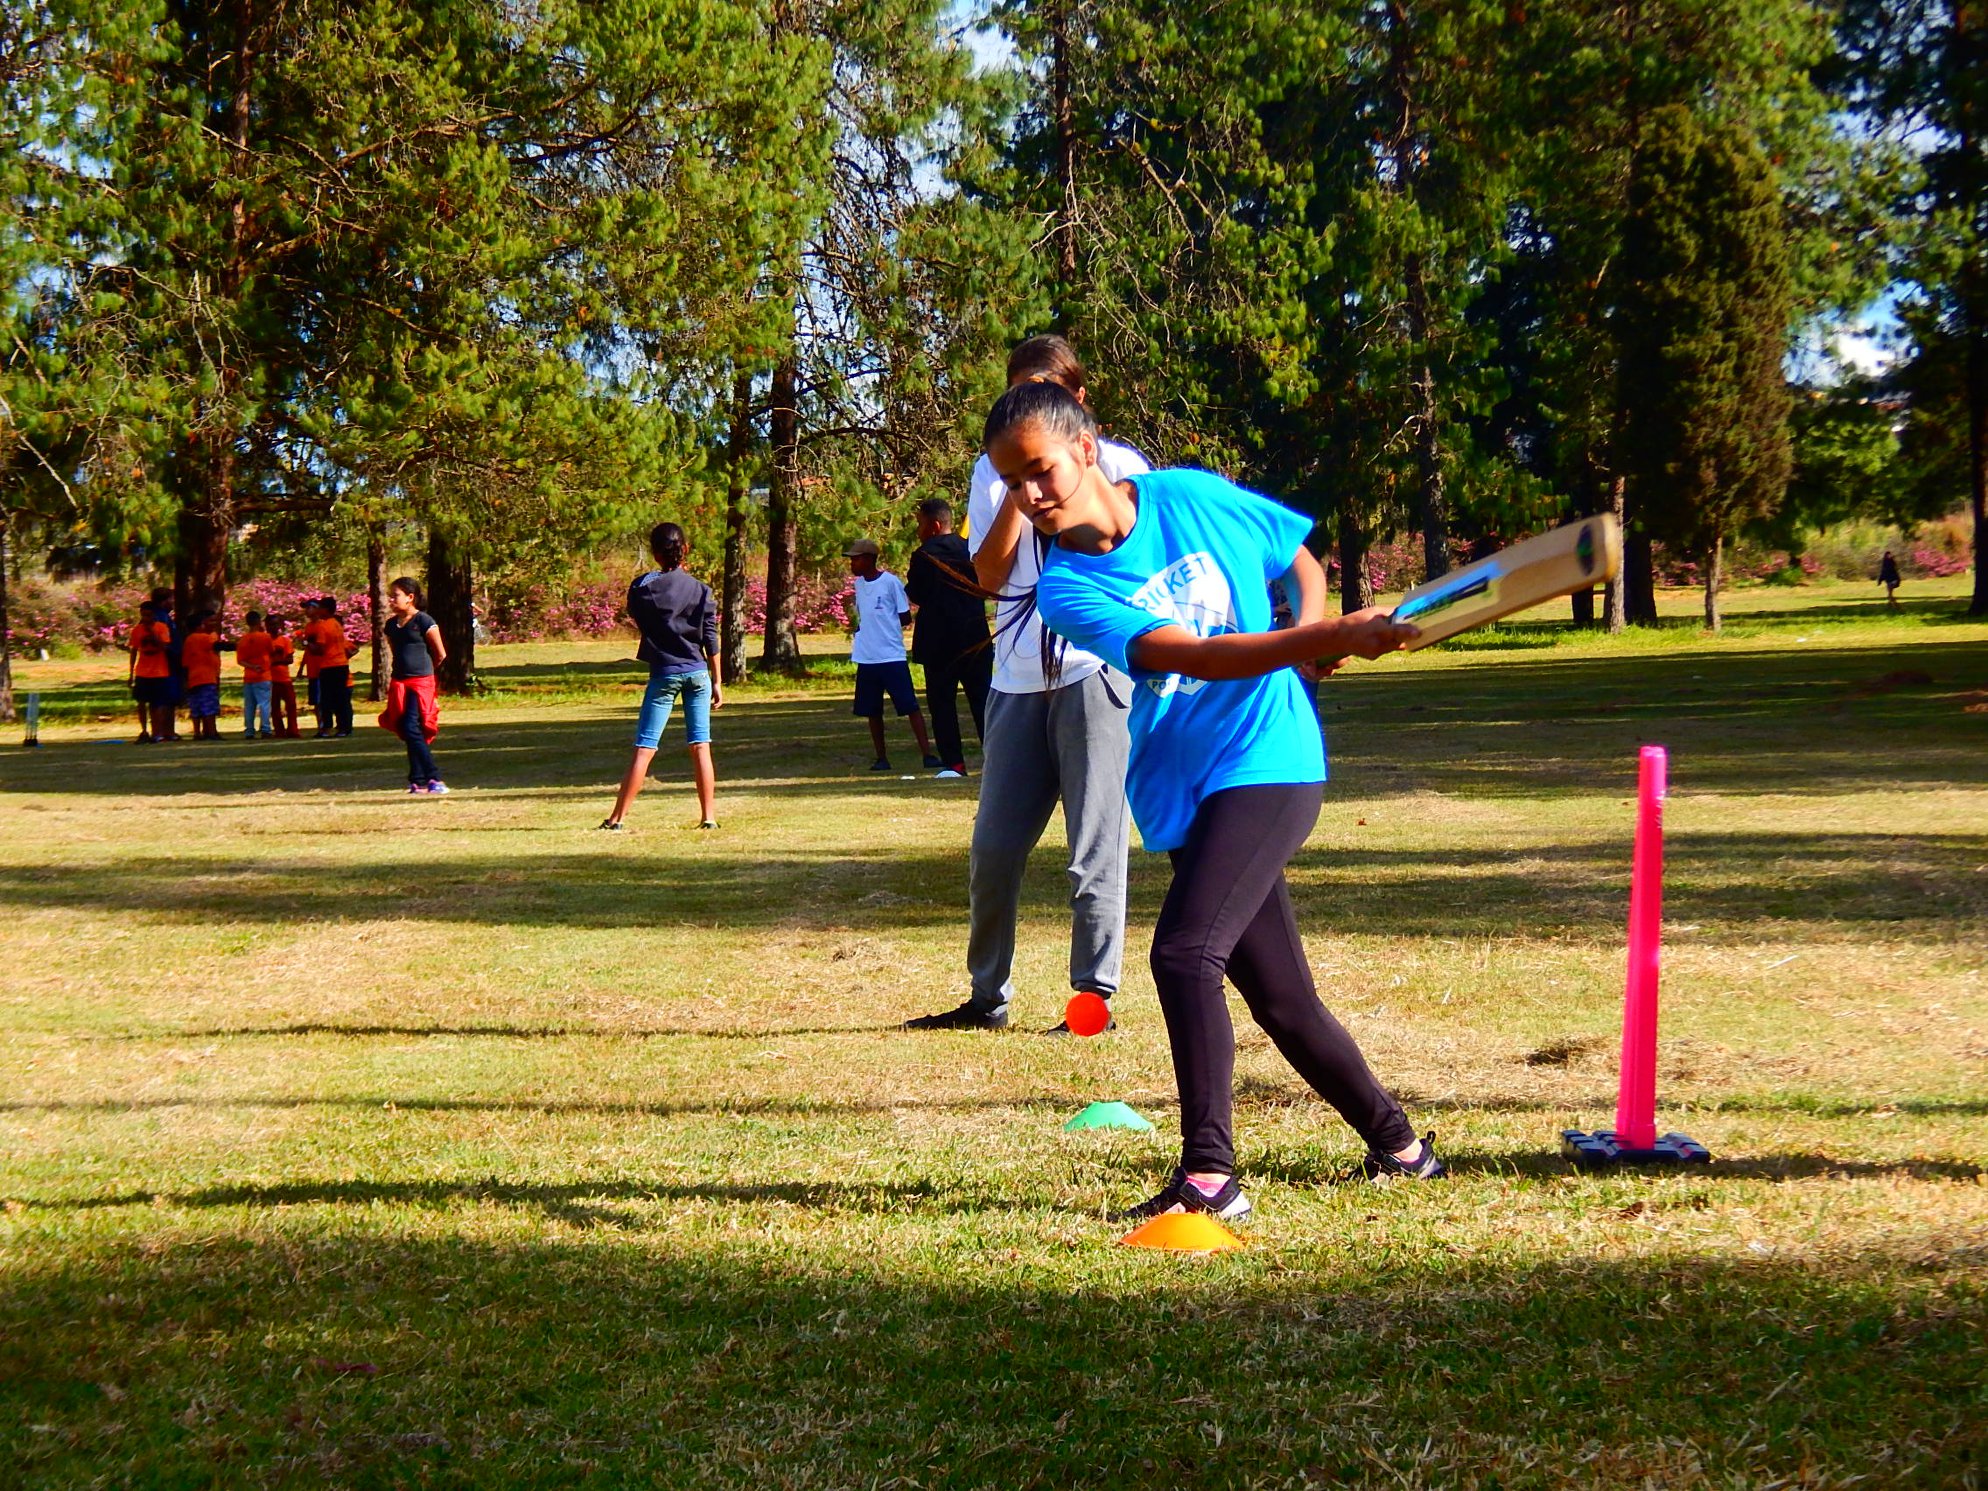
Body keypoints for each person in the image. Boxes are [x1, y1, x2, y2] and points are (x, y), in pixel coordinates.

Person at [988, 378, 1445, 1222]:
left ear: (1086, 447)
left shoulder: (1189, 495)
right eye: (1012, 482)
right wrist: (1326, 636)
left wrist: (1314, 647)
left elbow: (1295, 558)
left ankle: (1209, 1174)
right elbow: (1187, 654)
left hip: (1267, 759)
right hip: (1183, 785)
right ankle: (1403, 1148)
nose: (1029, 496)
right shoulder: (1065, 590)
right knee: (1282, 997)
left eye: (1040, 471)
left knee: (1183, 953)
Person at [906, 335, 1140, 1034]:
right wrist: (1016, 486)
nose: (1026, 403)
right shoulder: (993, 471)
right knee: (995, 849)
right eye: (1015, 393)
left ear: (1077, 397)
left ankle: (1091, 1003)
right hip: (1014, 680)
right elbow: (984, 577)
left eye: (1043, 390)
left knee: (1092, 851)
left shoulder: (1121, 462)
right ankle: (987, 1000)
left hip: (1093, 674)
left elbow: (1130, 559)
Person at [601, 522, 723, 830]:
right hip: (698, 673)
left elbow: (635, 607)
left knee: (645, 746)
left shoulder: (642, 588)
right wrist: (718, 681)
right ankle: (708, 817)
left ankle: (617, 819)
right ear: (686, 549)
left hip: (664, 674)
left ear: (655, 553)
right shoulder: (702, 590)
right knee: (700, 745)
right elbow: (711, 639)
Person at [905, 498, 992, 779]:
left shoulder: (923, 555)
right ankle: (995, 761)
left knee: (942, 705)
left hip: (938, 643)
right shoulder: (972, 550)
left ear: (934, 525)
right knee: (983, 703)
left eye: (920, 523)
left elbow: (916, 593)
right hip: (974, 638)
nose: (918, 530)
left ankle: (954, 764)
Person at [845, 537, 939, 773]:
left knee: (909, 705)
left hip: (891, 656)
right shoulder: (858, 585)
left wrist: (885, 625)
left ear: (868, 559)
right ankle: (881, 758)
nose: (852, 564)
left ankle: (927, 754)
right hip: (867, 657)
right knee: (872, 710)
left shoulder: (890, 582)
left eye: (855, 559)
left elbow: (905, 616)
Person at [378, 577, 449, 794]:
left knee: (412, 727)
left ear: (410, 598)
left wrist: (426, 673)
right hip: (400, 683)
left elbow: (440, 653)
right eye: (390, 595)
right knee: (408, 729)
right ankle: (417, 780)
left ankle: (434, 778)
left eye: (395, 595)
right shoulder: (391, 625)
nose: (391, 599)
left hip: (420, 683)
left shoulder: (424, 621)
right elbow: (393, 649)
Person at [126, 600, 174, 743]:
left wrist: (152, 632)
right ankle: (144, 731)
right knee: (141, 702)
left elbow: (164, 647)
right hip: (142, 672)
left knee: (157, 704)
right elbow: (134, 651)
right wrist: (131, 674)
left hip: (159, 672)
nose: (145, 618)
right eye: (143, 615)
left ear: (154, 615)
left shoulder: (162, 628)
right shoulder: (136, 630)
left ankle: (157, 733)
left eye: (148, 615)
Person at [306, 597, 356, 737]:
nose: (318, 611)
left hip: (329, 665)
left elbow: (320, 649)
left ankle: (326, 728)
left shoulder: (323, 626)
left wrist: (308, 645)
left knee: (326, 699)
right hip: (342, 664)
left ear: (326, 610)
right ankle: (344, 727)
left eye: (320, 608)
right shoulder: (336, 624)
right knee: (341, 698)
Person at [181, 610, 225, 740]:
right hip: (207, 677)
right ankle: (211, 732)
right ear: (199, 625)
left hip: (193, 678)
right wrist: (238, 645)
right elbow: (217, 645)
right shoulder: (204, 638)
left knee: (196, 707)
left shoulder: (188, 640)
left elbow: (185, 663)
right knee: (209, 707)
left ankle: (197, 733)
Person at [148, 586, 184, 741]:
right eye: (171, 599)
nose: (173, 603)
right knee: (162, 698)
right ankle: (160, 731)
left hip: (171, 662)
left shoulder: (166, 617)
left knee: (170, 698)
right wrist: (172, 653)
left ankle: (169, 731)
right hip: (164, 663)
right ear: (163, 601)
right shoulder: (159, 618)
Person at [236, 608, 274, 738]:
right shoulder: (265, 637)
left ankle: (249, 730)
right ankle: (265, 729)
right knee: (264, 704)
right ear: (259, 622)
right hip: (263, 675)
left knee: (249, 706)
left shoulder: (243, 640)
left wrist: (252, 666)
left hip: (249, 676)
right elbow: (271, 651)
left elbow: (240, 660)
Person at [265, 614, 301, 738]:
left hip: (284, 678)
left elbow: (290, 659)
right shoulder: (264, 640)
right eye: (270, 624)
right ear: (266, 626)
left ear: (281, 625)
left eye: (276, 624)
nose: (273, 627)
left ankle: (293, 730)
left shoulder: (285, 640)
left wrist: (277, 661)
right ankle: (279, 731)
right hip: (269, 679)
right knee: (274, 707)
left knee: (291, 705)